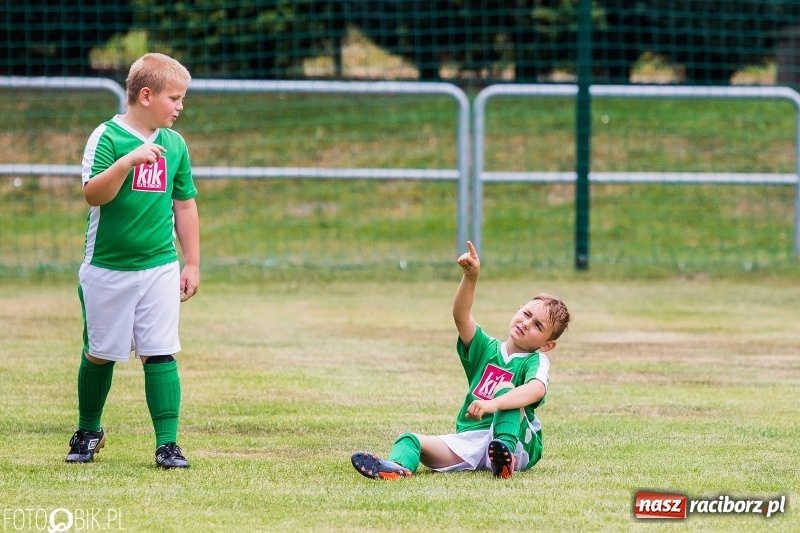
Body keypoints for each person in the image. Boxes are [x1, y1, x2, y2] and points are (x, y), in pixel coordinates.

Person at [65, 53, 199, 469]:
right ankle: (89, 430)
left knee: (160, 352)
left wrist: (190, 262)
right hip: (107, 267)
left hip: (159, 266)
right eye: (174, 98)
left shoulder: (175, 144)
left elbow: (185, 205)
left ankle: (167, 443)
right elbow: (94, 195)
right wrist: (127, 163)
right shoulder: (106, 138)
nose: (180, 106)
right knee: (101, 352)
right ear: (146, 95)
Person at [351, 241, 571, 479]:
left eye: (538, 325)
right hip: (472, 439)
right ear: (518, 310)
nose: (526, 323)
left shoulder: (535, 360)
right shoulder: (486, 348)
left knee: (505, 389)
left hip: (519, 442)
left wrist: (495, 404)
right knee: (410, 440)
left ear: (547, 344)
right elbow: (461, 316)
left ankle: (504, 454)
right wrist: (470, 277)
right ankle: (396, 468)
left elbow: (536, 390)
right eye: (526, 314)